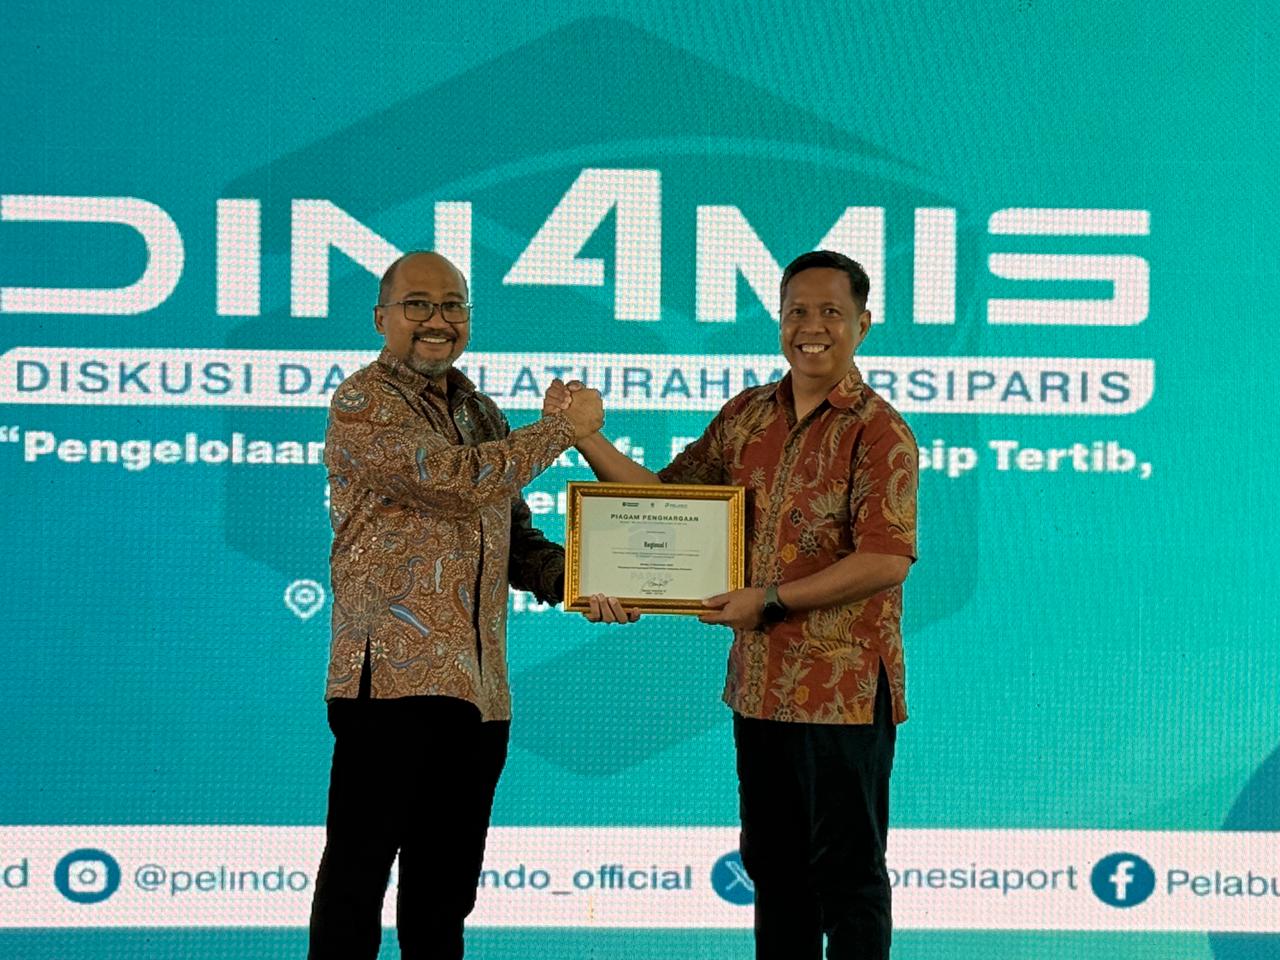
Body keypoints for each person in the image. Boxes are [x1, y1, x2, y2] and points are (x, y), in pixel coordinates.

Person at [548, 250, 918, 959]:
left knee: (849, 881)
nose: (812, 328)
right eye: (797, 312)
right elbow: (665, 501)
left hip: (841, 695)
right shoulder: (748, 415)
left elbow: (885, 558)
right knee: (775, 875)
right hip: (760, 689)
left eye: (831, 313)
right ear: (780, 321)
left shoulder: (879, 430)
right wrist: (583, 436)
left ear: (863, 325)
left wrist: (770, 600)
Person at [308, 251, 603, 960]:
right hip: (391, 686)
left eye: (452, 305)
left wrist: (588, 581)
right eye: (418, 304)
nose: (437, 319)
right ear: (381, 318)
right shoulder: (363, 401)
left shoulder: (480, 412)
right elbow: (450, 482)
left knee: (443, 898)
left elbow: (516, 537)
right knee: (356, 882)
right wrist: (561, 431)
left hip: (480, 693)